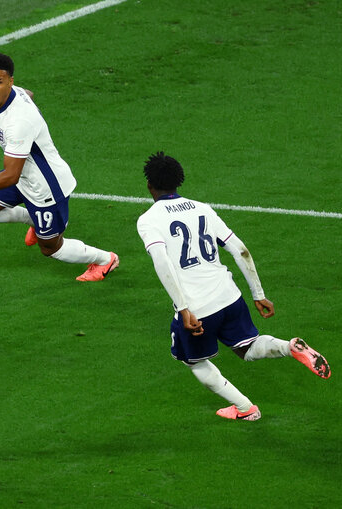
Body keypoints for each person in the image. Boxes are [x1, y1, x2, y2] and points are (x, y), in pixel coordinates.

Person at [136, 152, 330, 420]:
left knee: (194, 362)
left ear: (149, 184)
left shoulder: (149, 220)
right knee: (246, 347)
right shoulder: (202, 208)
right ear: (179, 180)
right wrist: (258, 294)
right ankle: (288, 347)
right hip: (229, 296)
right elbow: (240, 250)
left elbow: (162, 263)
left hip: (197, 308)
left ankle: (245, 408)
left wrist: (183, 309)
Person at [0, 52, 118, 282]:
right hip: (22, 176)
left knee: (51, 249)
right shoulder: (11, 95)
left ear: (10, 81)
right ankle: (32, 219)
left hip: (45, 188)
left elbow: (10, 175)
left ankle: (105, 259)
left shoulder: (18, 123)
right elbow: (28, 94)